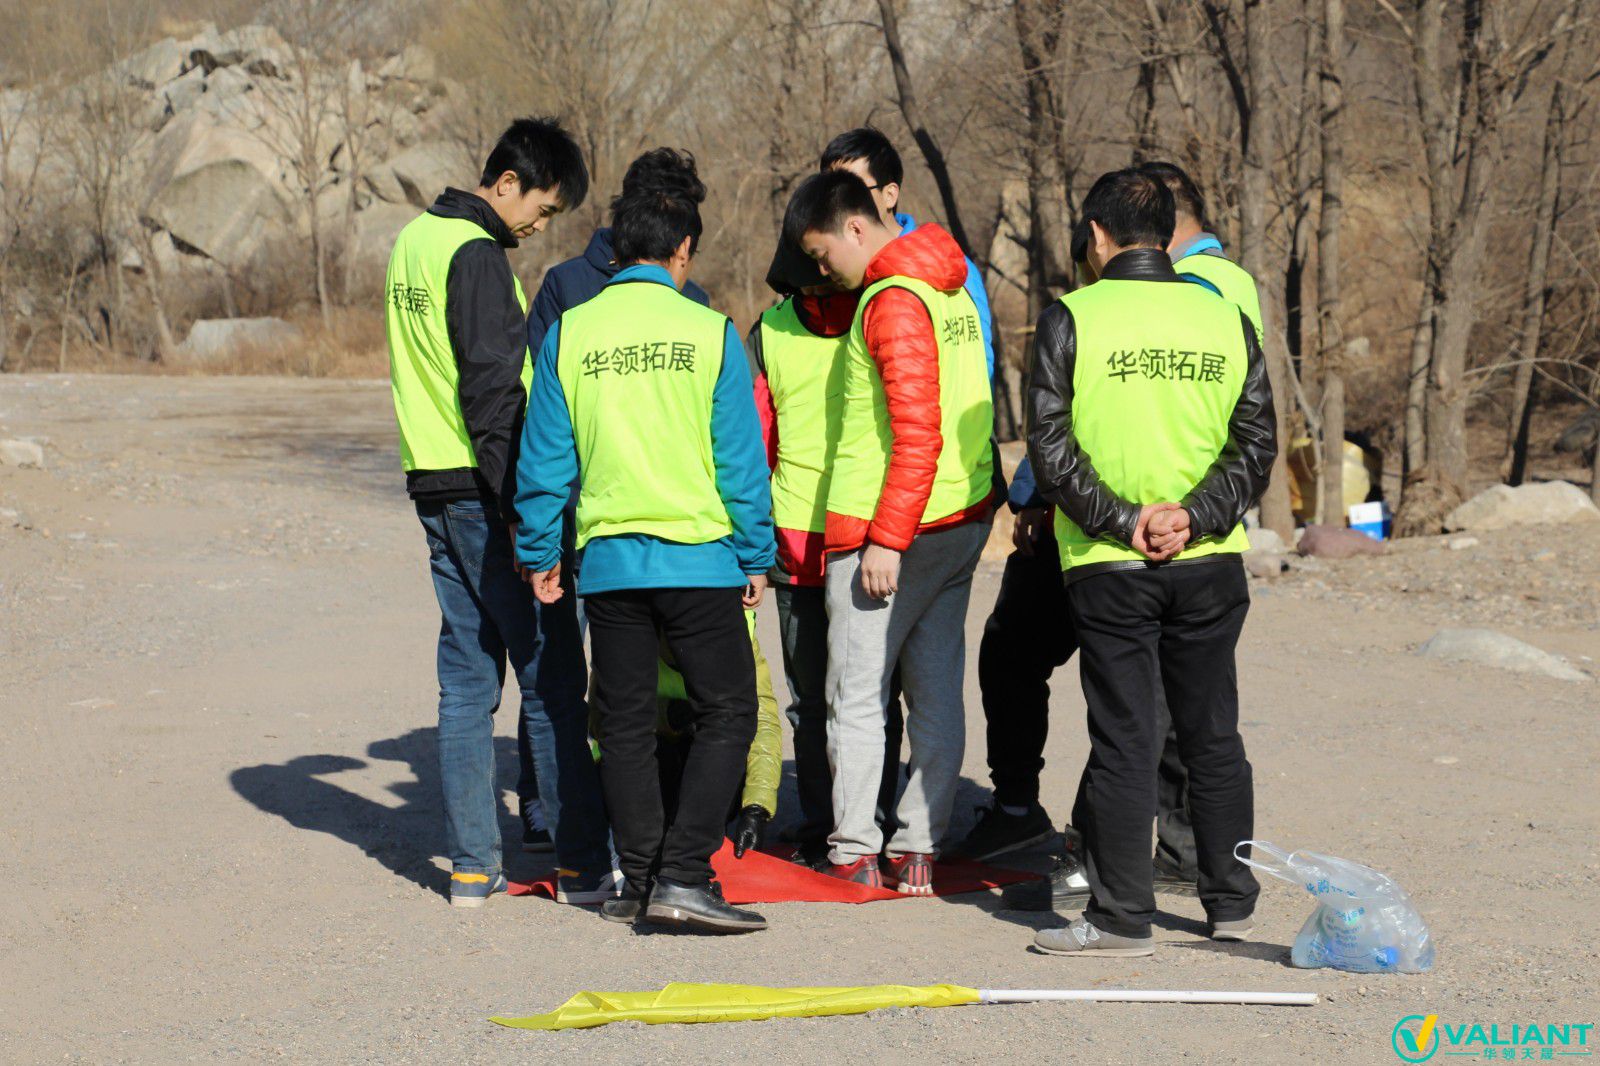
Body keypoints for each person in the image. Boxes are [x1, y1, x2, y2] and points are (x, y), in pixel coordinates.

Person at [515, 148, 776, 934]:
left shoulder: (571, 333)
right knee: (729, 711)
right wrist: (756, 553)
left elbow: (545, 457)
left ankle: (640, 878)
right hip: (699, 561)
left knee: (623, 725)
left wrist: (540, 551)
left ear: (617, 246)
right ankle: (686, 875)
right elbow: (740, 461)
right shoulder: (710, 333)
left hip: (609, 564)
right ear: (682, 251)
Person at [1026, 167, 1276, 957]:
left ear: (1097, 235)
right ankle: (1231, 904)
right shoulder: (1224, 317)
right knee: (1213, 735)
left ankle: (1121, 918)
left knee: (1126, 740)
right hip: (1210, 561)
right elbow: (1256, 444)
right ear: (1168, 236)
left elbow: (1050, 450)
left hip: (1108, 563)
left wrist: (1126, 520)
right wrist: (1194, 516)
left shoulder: (1072, 316)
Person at [383, 117, 613, 908]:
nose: (541, 225)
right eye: (542, 208)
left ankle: (471, 869)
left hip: (433, 484)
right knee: (551, 678)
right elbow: (492, 392)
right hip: (488, 492)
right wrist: (529, 519)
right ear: (506, 182)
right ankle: (582, 865)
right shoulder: (475, 254)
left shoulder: (413, 241)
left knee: (465, 681)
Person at [785, 170, 995, 894]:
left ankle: (853, 850)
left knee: (856, 694)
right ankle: (919, 848)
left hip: (889, 528)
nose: (822, 272)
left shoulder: (893, 299)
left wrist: (886, 538)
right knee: (934, 692)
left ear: (855, 226)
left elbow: (917, 429)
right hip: (956, 518)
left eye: (821, 254)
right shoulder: (948, 285)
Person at [511, 153, 713, 856]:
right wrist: (541, 523)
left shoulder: (695, 299)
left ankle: (648, 819)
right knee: (557, 671)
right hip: (576, 516)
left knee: (643, 687)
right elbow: (541, 407)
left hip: (661, 525)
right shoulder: (567, 286)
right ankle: (548, 803)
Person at [748, 232, 903, 869]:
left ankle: (857, 822)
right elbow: (758, 435)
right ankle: (833, 824)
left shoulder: (880, 310)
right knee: (827, 699)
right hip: (808, 540)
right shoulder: (773, 330)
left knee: (851, 696)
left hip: (856, 538)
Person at [603, 609, 781, 859]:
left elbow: (762, 723)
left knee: (727, 742)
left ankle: (698, 834)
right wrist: (666, 714)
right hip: (650, 759)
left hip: (703, 748)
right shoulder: (630, 632)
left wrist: (756, 808)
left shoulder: (738, 635)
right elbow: (605, 722)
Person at [820, 127, 996, 379]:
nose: (837, 205)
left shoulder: (951, 266)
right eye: (827, 194)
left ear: (890, 195)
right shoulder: (829, 275)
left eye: (852, 192)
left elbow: (978, 367)